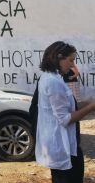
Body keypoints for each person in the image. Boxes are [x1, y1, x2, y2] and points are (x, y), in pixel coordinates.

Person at [35, 41, 95, 183]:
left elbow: (67, 106)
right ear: (58, 58)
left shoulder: (52, 78)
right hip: (62, 145)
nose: (72, 65)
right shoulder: (53, 82)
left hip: (65, 144)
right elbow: (64, 118)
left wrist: (87, 102)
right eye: (70, 60)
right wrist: (91, 108)